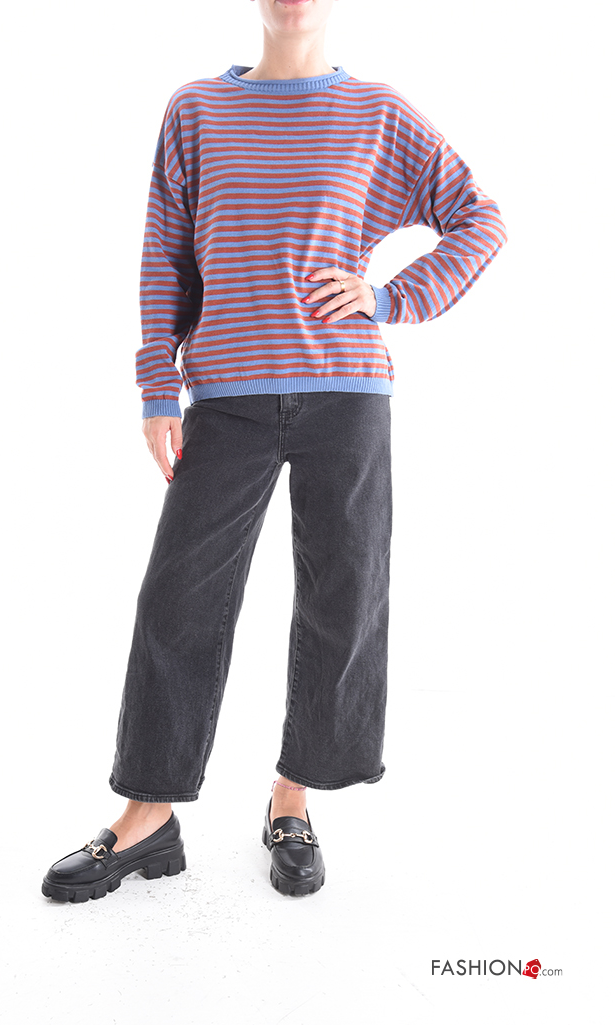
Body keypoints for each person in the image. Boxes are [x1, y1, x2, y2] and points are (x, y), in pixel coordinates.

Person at [41, 0, 507, 902]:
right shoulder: (196, 109)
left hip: (348, 392)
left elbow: (479, 218)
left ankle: (292, 797)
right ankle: (149, 813)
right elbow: (164, 256)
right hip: (227, 398)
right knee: (178, 595)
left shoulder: (377, 110)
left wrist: (388, 298)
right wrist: (156, 384)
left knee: (344, 593)